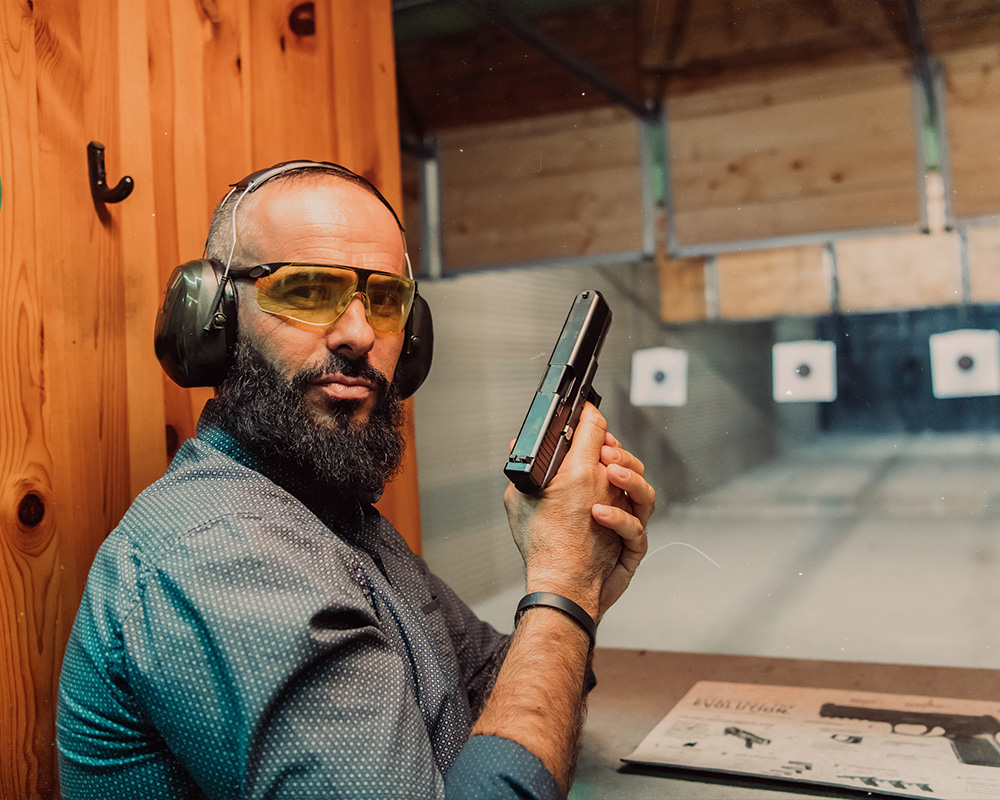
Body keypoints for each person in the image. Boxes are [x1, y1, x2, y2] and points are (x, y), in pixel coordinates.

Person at [56, 162, 654, 799]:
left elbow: (496, 681)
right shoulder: (222, 545)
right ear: (214, 319)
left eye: (388, 301)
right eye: (308, 292)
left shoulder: (334, 517)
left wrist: (578, 583)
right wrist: (563, 584)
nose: (359, 334)